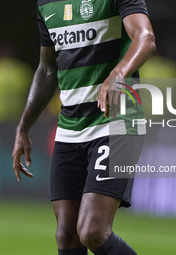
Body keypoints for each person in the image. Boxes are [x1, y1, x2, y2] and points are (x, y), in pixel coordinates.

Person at [12, 0, 155, 254]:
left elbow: (145, 37)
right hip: (70, 127)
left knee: (92, 230)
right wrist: (23, 127)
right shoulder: (46, 3)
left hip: (118, 120)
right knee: (67, 235)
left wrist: (118, 73)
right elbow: (47, 69)